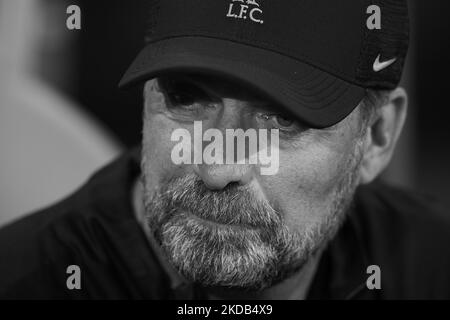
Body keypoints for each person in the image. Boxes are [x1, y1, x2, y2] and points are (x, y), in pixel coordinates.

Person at [1, 0, 450, 300]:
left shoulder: (430, 266)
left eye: (281, 118)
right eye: (185, 96)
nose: (216, 167)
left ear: (377, 137)